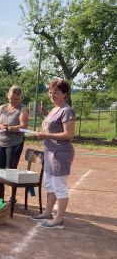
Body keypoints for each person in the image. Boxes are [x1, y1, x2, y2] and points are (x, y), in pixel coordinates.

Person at [31, 79, 75, 229]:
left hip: (60, 154)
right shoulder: (55, 109)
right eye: (50, 91)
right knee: (49, 184)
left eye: (56, 92)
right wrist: (45, 114)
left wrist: (46, 135)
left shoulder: (66, 110)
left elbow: (68, 135)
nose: (52, 94)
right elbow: (53, 126)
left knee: (59, 186)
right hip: (49, 152)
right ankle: (48, 213)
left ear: (65, 94)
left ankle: (59, 219)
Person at [0, 85, 29, 204]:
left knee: (10, 170)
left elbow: (24, 126)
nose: (14, 101)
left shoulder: (22, 109)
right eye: (12, 98)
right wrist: (0, 126)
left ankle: (12, 197)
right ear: (8, 96)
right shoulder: (2, 107)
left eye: (16, 99)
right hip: (1, 142)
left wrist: (10, 128)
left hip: (15, 143)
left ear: (20, 98)